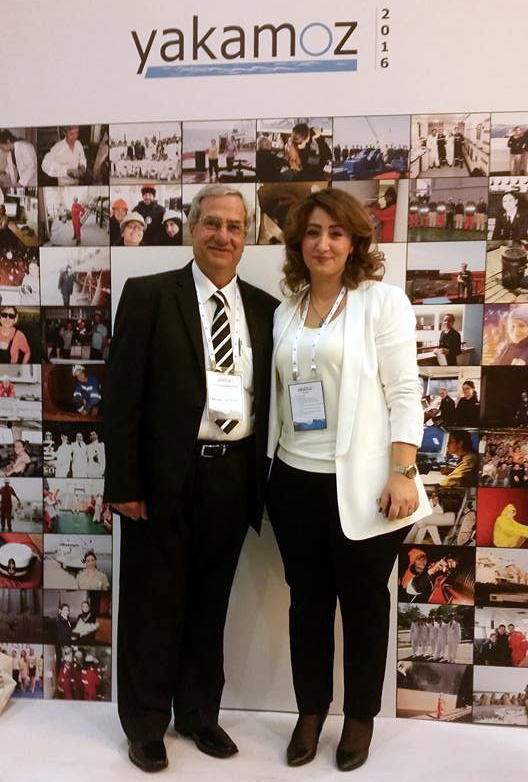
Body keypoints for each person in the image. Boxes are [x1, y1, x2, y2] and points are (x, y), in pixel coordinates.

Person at [103, 183, 278, 772]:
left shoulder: (265, 309)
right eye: (212, 223)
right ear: (193, 228)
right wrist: (124, 484)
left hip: (232, 475)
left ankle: (199, 714)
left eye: (235, 226)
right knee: (153, 604)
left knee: (210, 603)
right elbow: (121, 398)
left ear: (247, 236)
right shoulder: (150, 295)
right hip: (160, 480)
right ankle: (145, 724)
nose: (223, 235)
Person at [266, 188, 430, 772]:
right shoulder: (286, 310)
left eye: (336, 233)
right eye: (312, 232)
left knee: (363, 605)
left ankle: (360, 717)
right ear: (298, 243)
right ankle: (310, 712)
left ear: (355, 241)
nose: (323, 243)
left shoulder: (381, 303)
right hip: (293, 480)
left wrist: (403, 470)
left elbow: (405, 390)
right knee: (307, 604)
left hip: (364, 485)